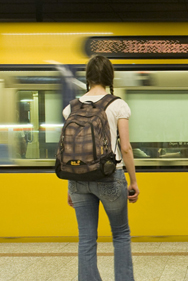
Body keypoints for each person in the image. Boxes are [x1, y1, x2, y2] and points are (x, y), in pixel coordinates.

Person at [65, 55, 139, 281]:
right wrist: (133, 181)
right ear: (109, 77)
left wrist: (70, 188)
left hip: (78, 180)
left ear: (87, 77)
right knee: (121, 234)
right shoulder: (117, 104)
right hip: (110, 176)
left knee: (86, 238)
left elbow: (70, 150)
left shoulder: (71, 108)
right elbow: (125, 148)